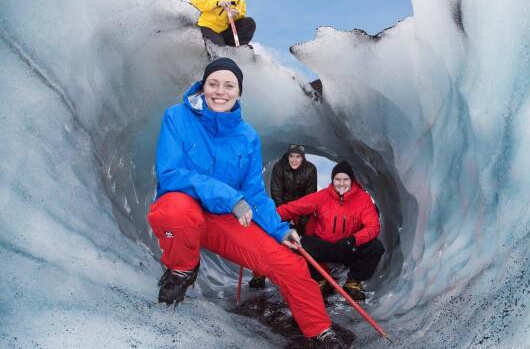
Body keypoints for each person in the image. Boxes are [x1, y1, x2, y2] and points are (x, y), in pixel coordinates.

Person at [146, 57, 345, 348]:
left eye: (229, 85)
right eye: (213, 83)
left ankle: (320, 331)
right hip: (185, 210)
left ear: (239, 92)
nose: (220, 91)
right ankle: (182, 269)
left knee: (288, 263)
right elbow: (171, 174)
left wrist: (280, 231)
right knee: (173, 210)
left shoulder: (247, 136)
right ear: (203, 86)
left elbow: (253, 193)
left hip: (224, 220)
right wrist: (230, 196)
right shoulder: (177, 117)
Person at [277, 161, 385, 301]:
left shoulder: (363, 199)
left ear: (351, 180)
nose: (341, 183)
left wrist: (354, 239)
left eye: (345, 179)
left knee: (375, 247)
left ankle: (353, 283)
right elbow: (293, 208)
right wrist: (269, 218)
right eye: (337, 179)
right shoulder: (323, 196)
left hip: (349, 247)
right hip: (325, 246)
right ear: (333, 180)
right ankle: (320, 279)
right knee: (301, 243)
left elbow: (373, 227)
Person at [248, 144, 318, 289]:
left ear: (303, 158)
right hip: (282, 207)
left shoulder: (310, 169)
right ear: (288, 156)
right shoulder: (279, 167)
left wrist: (301, 224)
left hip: (302, 209)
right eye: (292, 156)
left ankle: (313, 273)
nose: (294, 160)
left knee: (309, 235)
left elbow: (310, 197)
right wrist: (284, 218)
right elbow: (276, 193)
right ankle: (259, 274)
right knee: (270, 236)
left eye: (298, 157)